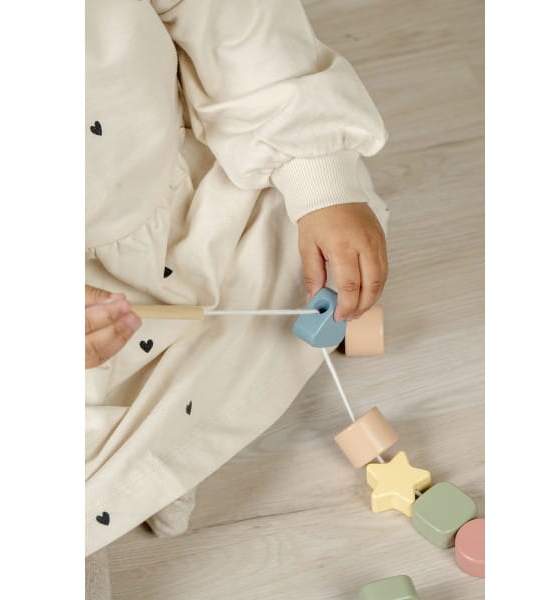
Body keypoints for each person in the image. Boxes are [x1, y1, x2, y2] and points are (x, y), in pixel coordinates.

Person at [85, 0, 389, 582]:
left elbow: (235, 20)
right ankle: (141, 466)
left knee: (315, 245)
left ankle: (156, 451)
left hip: (187, 210)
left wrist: (318, 176)